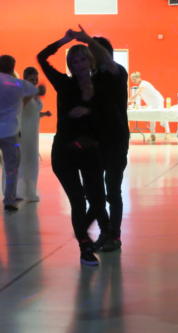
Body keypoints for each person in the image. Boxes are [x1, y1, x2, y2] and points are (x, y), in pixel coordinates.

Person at [37, 26, 112, 266]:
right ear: (70, 64)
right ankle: (84, 247)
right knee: (78, 201)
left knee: (98, 201)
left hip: (90, 151)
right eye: (74, 61)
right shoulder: (63, 84)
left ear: (90, 62)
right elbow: (41, 57)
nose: (78, 65)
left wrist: (88, 110)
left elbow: (105, 116)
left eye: (82, 60)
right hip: (65, 152)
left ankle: (82, 233)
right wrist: (64, 40)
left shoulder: (100, 85)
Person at [86, 36, 130, 252]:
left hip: (116, 139)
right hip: (95, 141)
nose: (91, 55)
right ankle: (105, 232)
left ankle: (115, 235)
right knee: (94, 191)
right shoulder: (91, 77)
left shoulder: (117, 72)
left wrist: (87, 40)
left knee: (113, 190)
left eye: (94, 51)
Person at [0, 55, 39, 211]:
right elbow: (34, 89)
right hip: (10, 133)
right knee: (12, 166)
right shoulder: (17, 84)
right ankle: (9, 199)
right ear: (12, 67)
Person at [17, 67, 51, 203]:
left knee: (32, 162)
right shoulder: (22, 92)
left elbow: (33, 112)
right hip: (22, 132)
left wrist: (43, 114)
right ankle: (19, 192)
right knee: (22, 162)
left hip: (33, 133)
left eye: (36, 79)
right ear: (25, 79)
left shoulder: (33, 93)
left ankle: (30, 192)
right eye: (32, 79)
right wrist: (35, 92)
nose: (35, 81)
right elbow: (20, 107)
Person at [129, 71, 166, 141]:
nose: (132, 81)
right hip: (152, 104)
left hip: (158, 101)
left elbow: (137, 94)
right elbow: (139, 97)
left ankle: (167, 133)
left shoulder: (144, 84)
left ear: (137, 78)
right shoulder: (140, 85)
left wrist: (129, 100)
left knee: (162, 116)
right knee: (152, 118)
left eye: (133, 79)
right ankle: (152, 135)